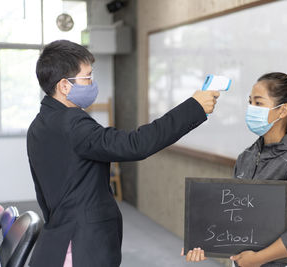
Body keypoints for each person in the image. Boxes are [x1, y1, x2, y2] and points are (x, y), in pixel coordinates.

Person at [27, 39, 220, 267]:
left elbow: (45, 194)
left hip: (59, 241)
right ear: (64, 86)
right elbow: (135, 144)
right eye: (87, 77)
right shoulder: (72, 123)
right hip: (82, 248)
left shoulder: (39, 125)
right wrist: (194, 108)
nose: (92, 84)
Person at [183, 70, 287, 267]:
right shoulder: (246, 157)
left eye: (258, 103)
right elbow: (233, 213)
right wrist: (202, 243)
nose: (251, 108)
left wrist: (259, 259)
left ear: (282, 110)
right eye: (250, 102)